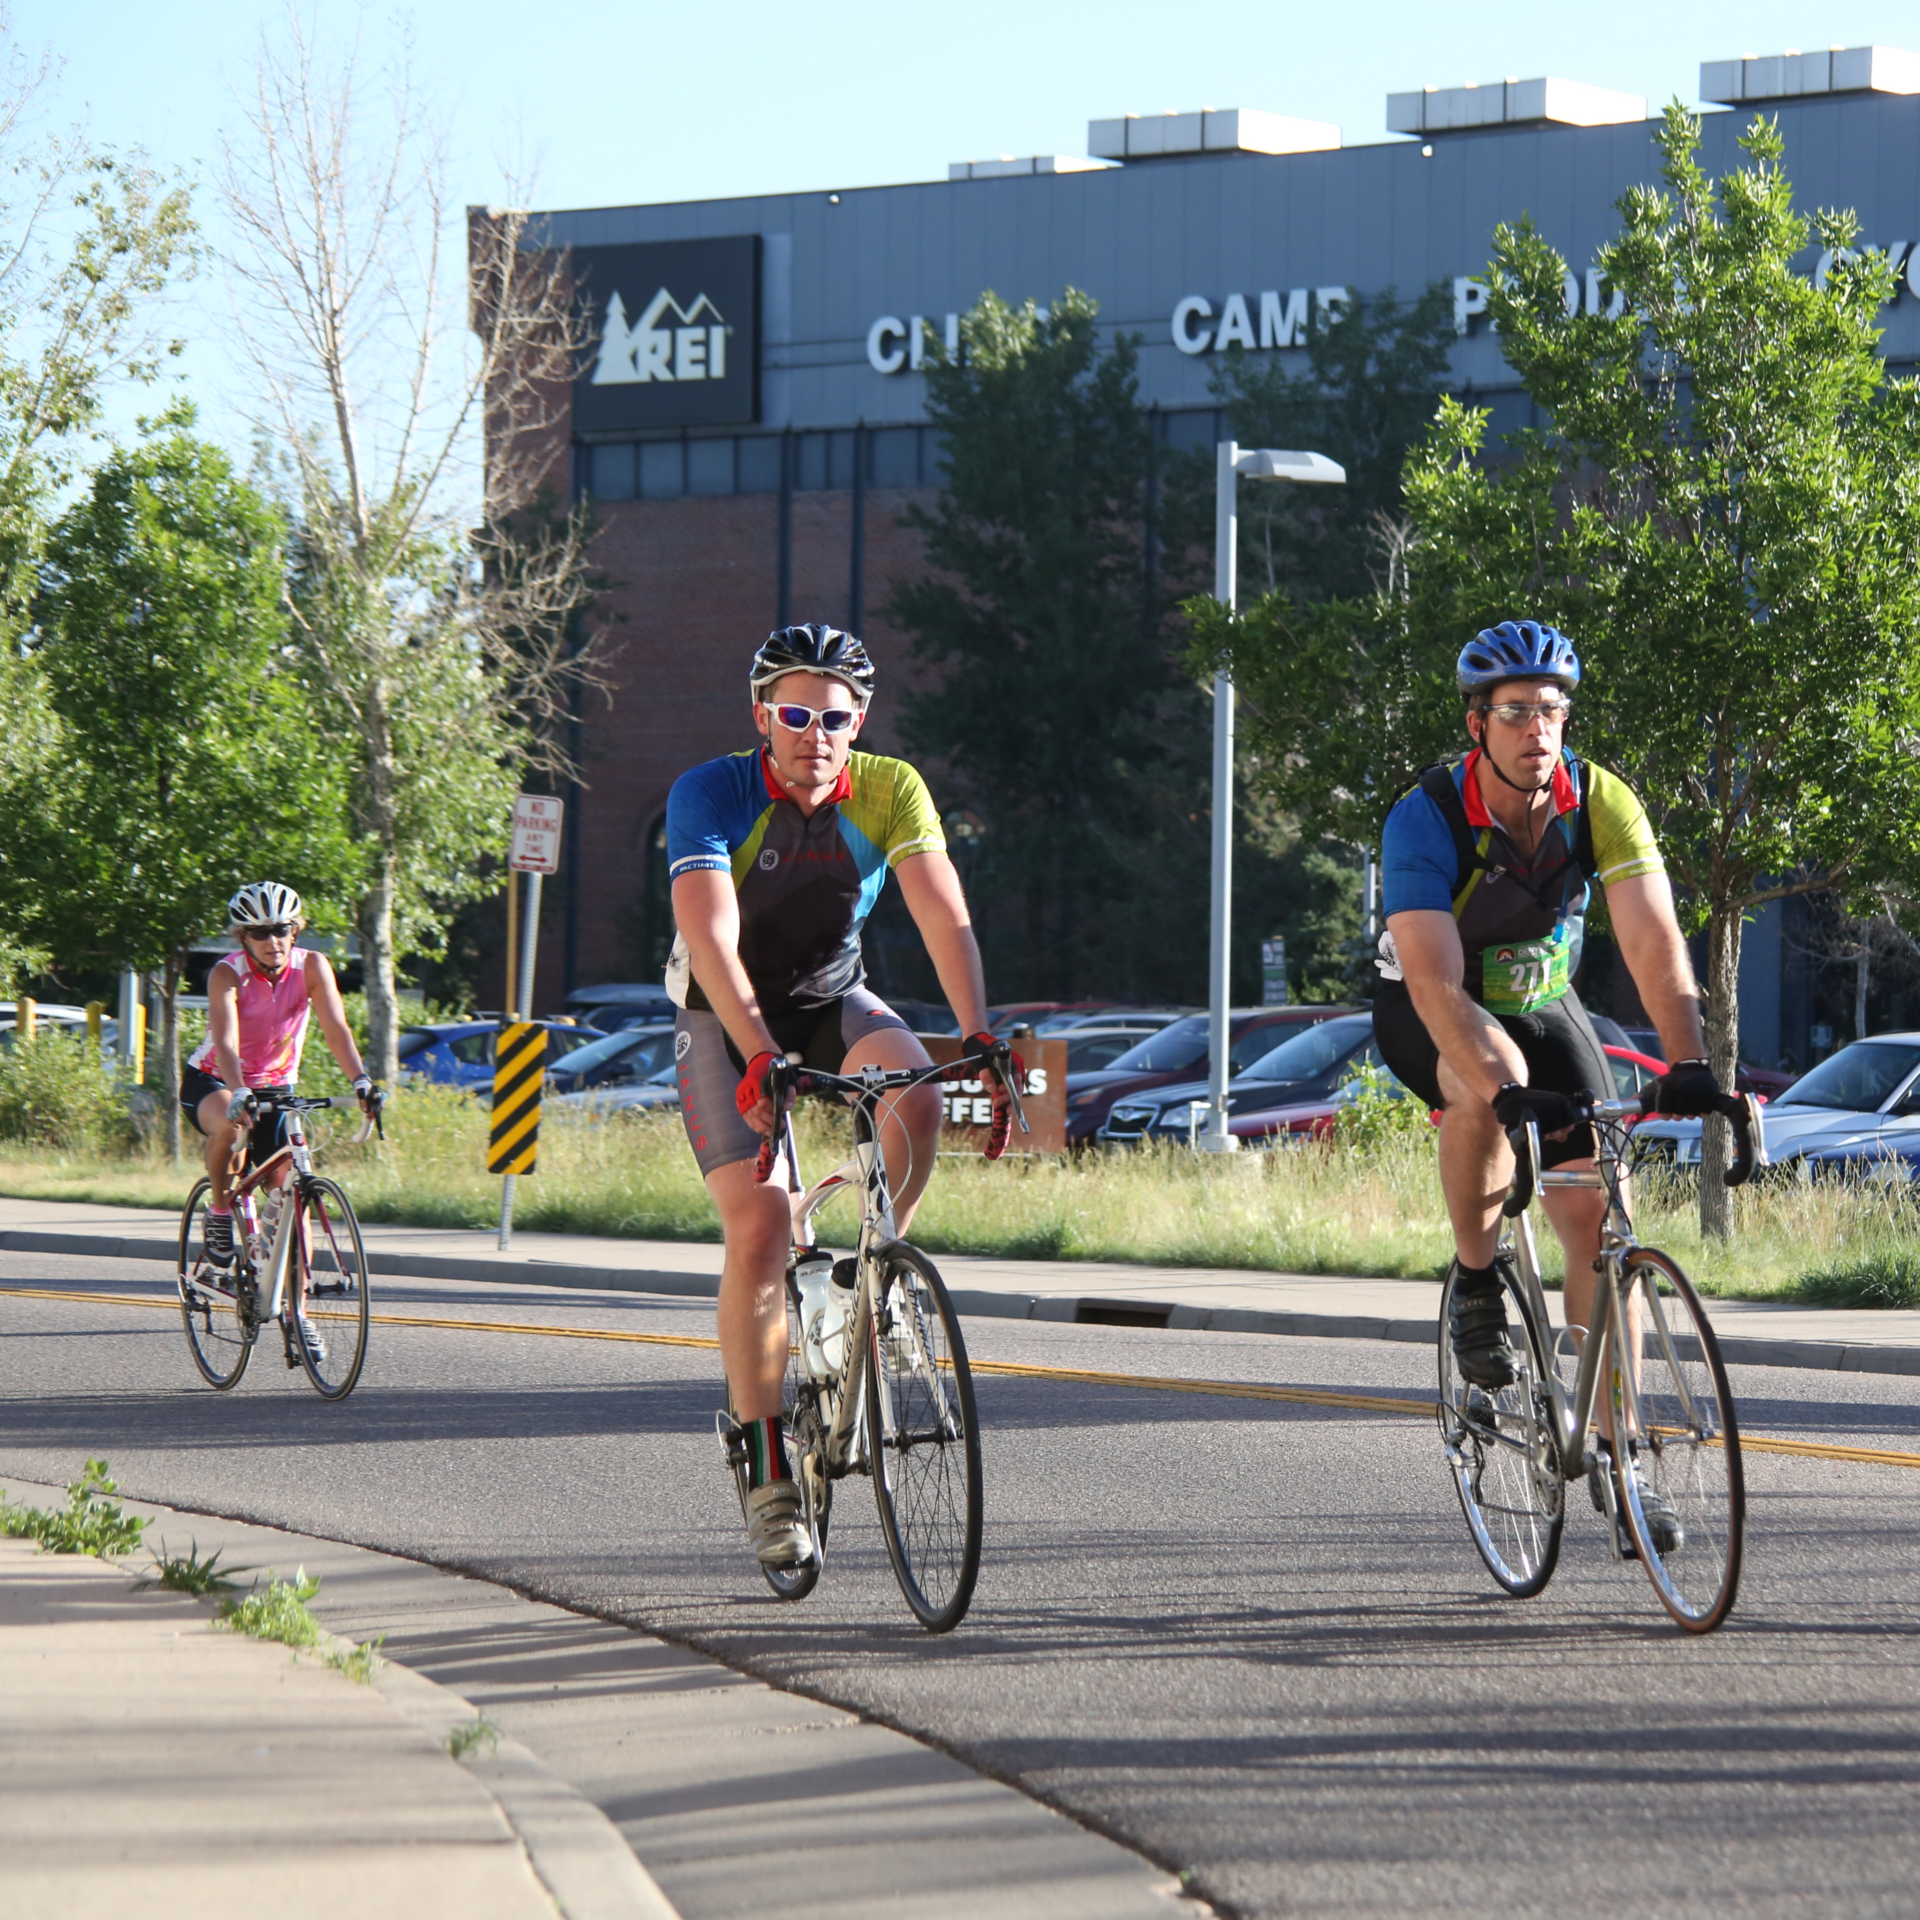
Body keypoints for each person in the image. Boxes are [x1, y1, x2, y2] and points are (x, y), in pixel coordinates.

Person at [1373, 620, 1739, 1554]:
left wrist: (1692, 1061)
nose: (1539, 729)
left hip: (1547, 998)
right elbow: (1434, 984)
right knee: (1477, 1087)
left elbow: (1654, 939)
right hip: (1434, 1003)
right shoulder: (1427, 816)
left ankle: (1619, 1451)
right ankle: (1473, 1275)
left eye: (1553, 710)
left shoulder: (1600, 800)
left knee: (1600, 1214)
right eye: (1516, 712)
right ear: (1477, 723)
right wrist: (1504, 1087)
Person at [666, 623, 1018, 1571]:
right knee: (761, 1226)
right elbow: (711, 938)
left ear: (858, 721)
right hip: (723, 1010)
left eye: (833, 715)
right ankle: (768, 1464)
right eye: (794, 712)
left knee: (916, 1092)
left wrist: (978, 1034)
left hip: (828, 998)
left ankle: (871, 1258)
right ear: (761, 718)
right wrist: (756, 1055)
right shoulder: (711, 792)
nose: (814, 732)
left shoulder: (891, 787)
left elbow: (941, 910)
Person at [183, 882, 380, 1363]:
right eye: (261, 932)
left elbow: (336, 1027)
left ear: (296, 930)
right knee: (229, 1131)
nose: (274, 940)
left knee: (292, 1192)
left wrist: (360, 1080)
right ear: (243, 937)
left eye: (283, 929)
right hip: (214, 1079)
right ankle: (222, 1211)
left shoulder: (312, 965)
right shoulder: (226, 974)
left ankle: (298, 1315)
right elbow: (226, 1041)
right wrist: (240, 1089)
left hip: (278, 1086)